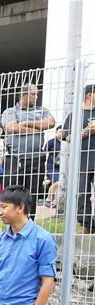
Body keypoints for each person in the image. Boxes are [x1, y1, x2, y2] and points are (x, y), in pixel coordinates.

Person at [1, 83, 55, 220]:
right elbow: (12, 128)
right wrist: (38, 128)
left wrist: (25, 124)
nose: (36, 97)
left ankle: (29, 223)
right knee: (13, 194)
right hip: (15, 159)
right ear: (24, 94)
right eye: (33, 94)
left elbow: (51, 122)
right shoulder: (10, 112)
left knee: (32, 194)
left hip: (36, 159)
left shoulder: (42, 110)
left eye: (36, 94)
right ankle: (14, 223)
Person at [61, 82, 95, 233]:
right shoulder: (75, 115)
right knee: (82, 194)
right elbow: (67, 137)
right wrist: (87, 130)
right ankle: (86, 225)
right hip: (82, 161)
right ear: (89, 95)